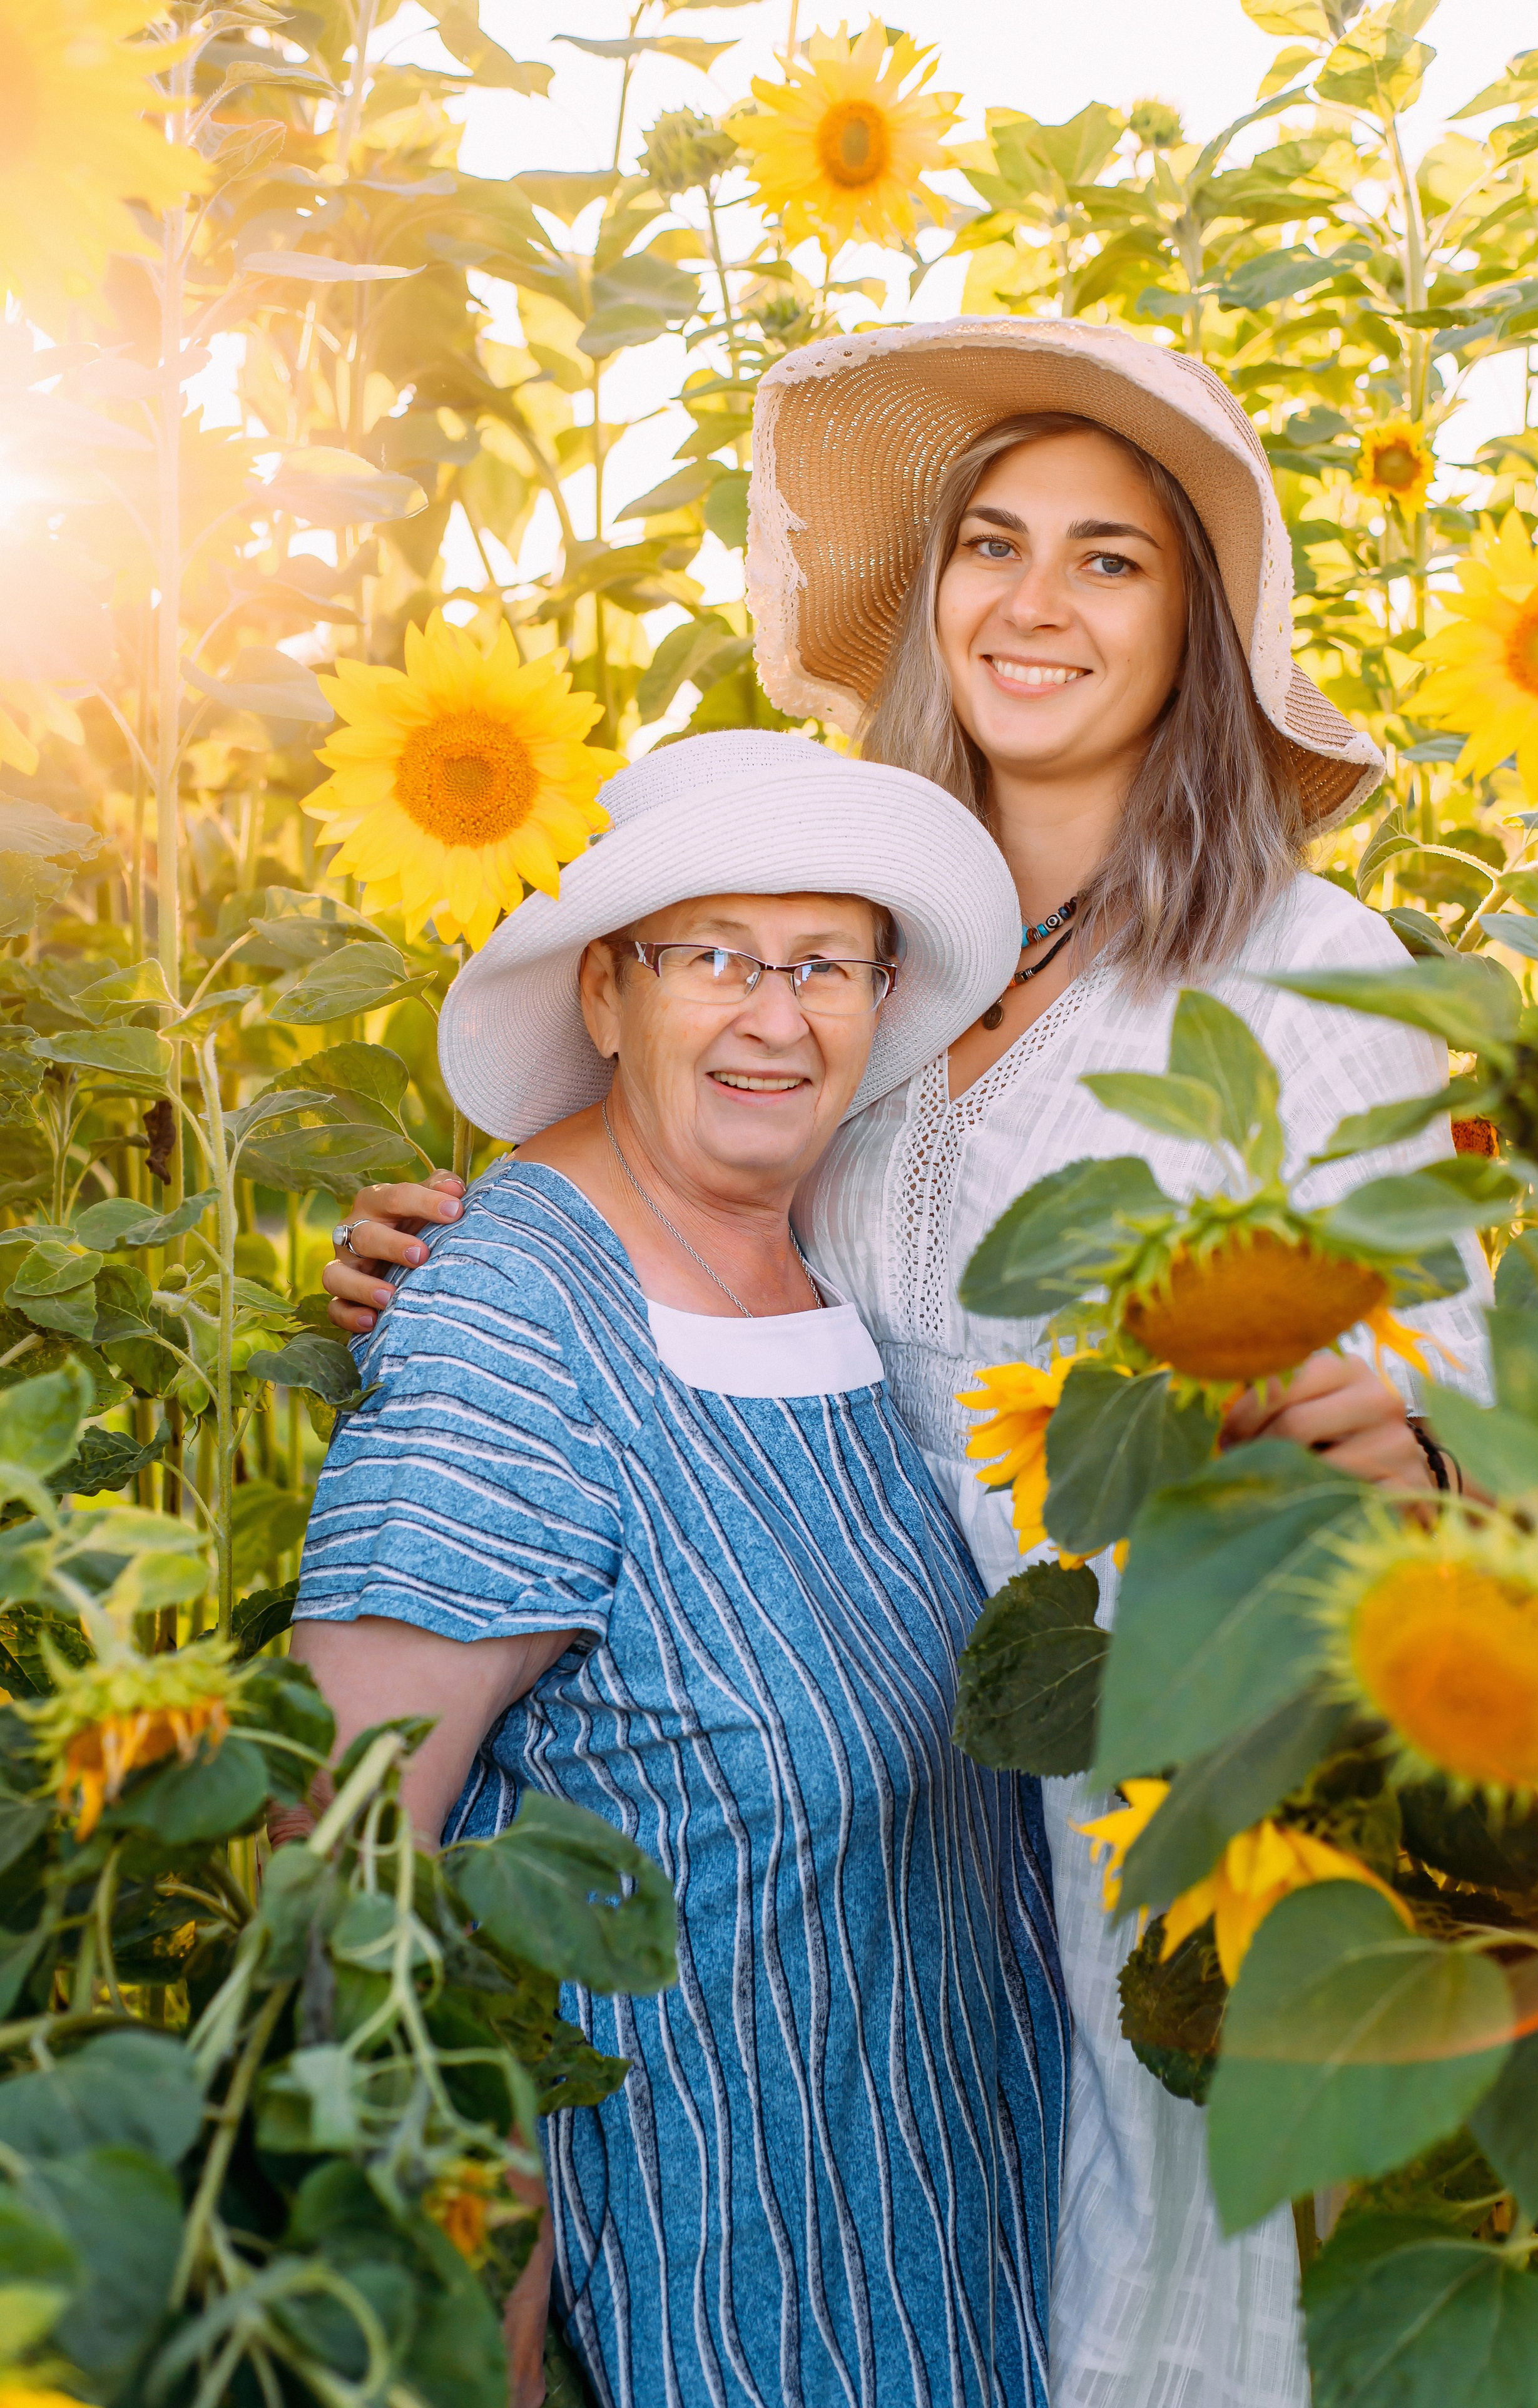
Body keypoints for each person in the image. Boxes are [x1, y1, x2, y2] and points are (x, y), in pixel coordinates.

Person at [325, 320, 1485, 2408]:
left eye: (1112, 559)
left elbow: (1465, 1428)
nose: (1034, 604)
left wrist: (1391, 1445)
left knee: (1148, 2319)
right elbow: (686, 1197)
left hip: (1147, 1802)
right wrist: (479, 1233)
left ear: (1200, 628)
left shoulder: (1306, 975)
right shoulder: (856, 933)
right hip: (825, 1830)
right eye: (993, 544)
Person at [293, 732, 1068, 2408]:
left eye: (826, 965)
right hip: (716, 2312)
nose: (775, 1016)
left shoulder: (824, 1270)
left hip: (941, 2271)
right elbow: (341, 1850)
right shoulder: (515, 1324)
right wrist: (462, 2291)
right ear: (602, 994)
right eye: (712, 955)